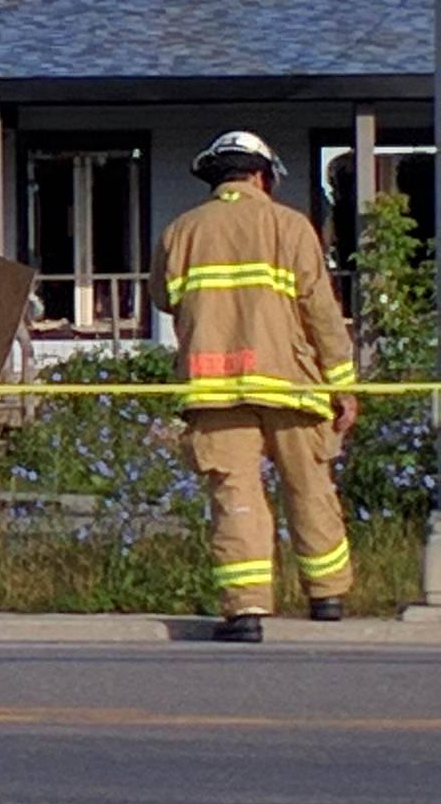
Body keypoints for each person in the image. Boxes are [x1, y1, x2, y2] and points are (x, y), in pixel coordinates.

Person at [153, 130, 359, 644]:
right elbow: (321, 312)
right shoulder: (290, 226)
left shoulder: (181, 232)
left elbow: (163, 297)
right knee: (310, 488)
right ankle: (327, 597)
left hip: (214, 387)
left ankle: (245, 609)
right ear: (263, 177)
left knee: (236, 494)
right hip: (291, 383)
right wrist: (343, 386)